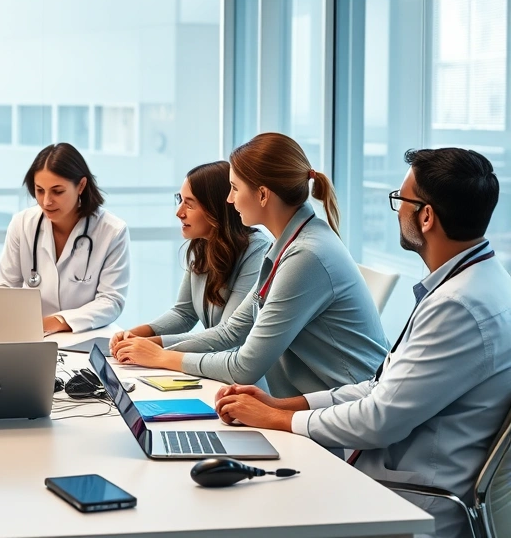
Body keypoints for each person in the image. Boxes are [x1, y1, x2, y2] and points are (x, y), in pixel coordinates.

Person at [215, 147, 510, 538]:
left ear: (426, 216)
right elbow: (381, 388)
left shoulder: (457, 306)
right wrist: (284, 405)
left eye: (401, 200)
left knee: (243, 509)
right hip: (391, 476)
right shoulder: (479, 282)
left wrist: (280, 420)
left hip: (409, 501)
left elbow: (379, 420)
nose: (397, 212)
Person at [113, 133, 387, 397]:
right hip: (316, 403)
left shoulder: (305, 256)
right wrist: (151, 347)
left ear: (263, 195)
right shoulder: (288, 246)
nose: (229, 199)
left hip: (348, 410)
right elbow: (231, 331)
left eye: (234, 188)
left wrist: (162, 357)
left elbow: (244, 366)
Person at [109, 161, 270, 348]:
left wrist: (153, 345)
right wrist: (136, 334)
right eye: (180, 200)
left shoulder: (257, 251)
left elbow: (230, 334)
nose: (179, 213)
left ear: (216, 209)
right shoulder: (202, 245)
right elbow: (184, 313)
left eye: (190, 204)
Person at [0, 143, 130, 333]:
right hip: (33, 335)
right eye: (39, 190)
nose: (46, 201)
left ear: (81, 186)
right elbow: (5, 288)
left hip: (85, 336)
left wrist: (56, 322)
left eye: (57, 191)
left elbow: (111, 301)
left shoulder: (112, 231)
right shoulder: (22, 224)